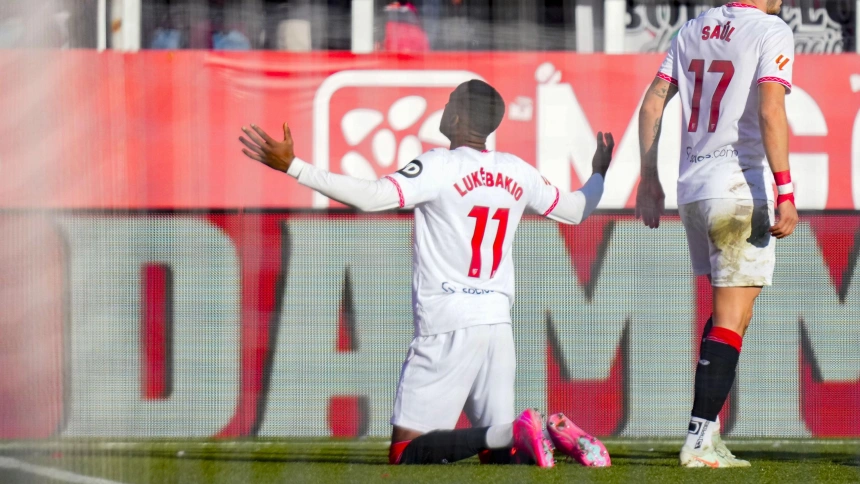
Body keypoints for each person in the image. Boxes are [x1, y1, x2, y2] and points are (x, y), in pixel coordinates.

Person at [240, 80, 613, 467]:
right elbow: (574, 210)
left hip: (447, 322)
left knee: (407, 454)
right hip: (497, 325)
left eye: (449, 102)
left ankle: (518, 430)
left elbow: (372, 196)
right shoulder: (516, 171)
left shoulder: (439, 166)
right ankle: (554, 435)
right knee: (498, 458)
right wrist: (599, 173)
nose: (444, 108)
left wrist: (294, 167)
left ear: (456, 115)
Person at [636, 0, 798, 468]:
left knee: (734, 312)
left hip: (694, 189)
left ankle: (710, 432)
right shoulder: (769, 28)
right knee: (731, 316)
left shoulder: (692, 28)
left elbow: (652, 102)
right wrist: (785, 190)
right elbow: (772, 111)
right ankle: (698, 440)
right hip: (736, 187)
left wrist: (649, 176)